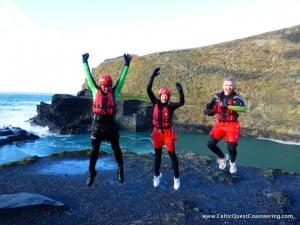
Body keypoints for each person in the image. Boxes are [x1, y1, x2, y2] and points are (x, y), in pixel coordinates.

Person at [82, 52, 132, 186]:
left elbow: (122, 79)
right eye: (104, 86)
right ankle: (92, 173)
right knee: (94, 151)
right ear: (101, 85)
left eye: (108, 85)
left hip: (111, 124)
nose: (106, 88)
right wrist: (85, 62)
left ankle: (121, 170)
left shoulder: (114, 92)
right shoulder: (94, 89)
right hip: (97, 125)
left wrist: (126, 64)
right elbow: (89, 76)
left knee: (117, 149)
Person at [147, 67, 185, 190]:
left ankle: (176, 178)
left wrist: (180, 90)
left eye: (166, 96)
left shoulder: (171, 106)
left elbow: (181, 102)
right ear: (160, 96)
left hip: (167, 132)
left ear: (168, 97)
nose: (164, 97)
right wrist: (152, 76)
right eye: (162, 95)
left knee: (172, 155)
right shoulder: (155, 103)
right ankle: (157, 175)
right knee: (157, 155)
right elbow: (148, 89)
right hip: (157, 132)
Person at [203, 77, 246, 174]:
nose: (228, 87)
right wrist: (207, 111)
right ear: (222, 86)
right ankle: (222, 157)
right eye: (226, 85)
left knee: (231, 147)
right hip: (220, 124)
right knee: (210, 143)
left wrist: (227, 106)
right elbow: (210, 108)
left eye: (230, 85)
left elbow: (243, 108)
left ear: (234, 87)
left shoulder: (236, 98)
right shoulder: (217, 97)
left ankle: (233, 162)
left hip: (232, 125)